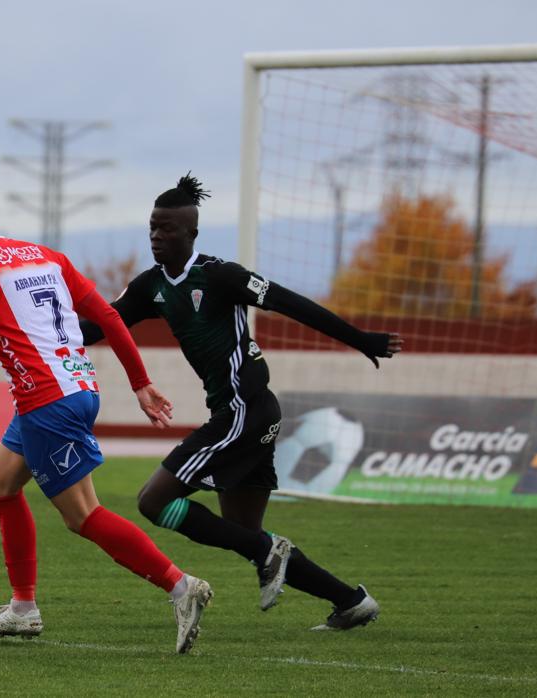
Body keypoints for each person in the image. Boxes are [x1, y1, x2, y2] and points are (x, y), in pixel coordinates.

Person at [80, 174, 403, 631]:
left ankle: (270, 554)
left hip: (244, 412)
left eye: (168, 228)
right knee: (250, 536)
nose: (157, 235)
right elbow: (97, 329)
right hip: (248, 414)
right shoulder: (150, 286)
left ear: (192, 232)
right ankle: (350, 601)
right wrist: (30, 328)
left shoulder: (221, 276)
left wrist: (359, 339)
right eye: (153, 227)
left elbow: (292, 304)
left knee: (153, 501)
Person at [0, 180, 214, 654]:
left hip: (46, 400)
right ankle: (23, 609)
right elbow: (111, 317)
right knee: (0, 484)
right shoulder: (46, 256)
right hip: (76, 387)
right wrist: (139, 382)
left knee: (83, 516)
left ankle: (181, 587)